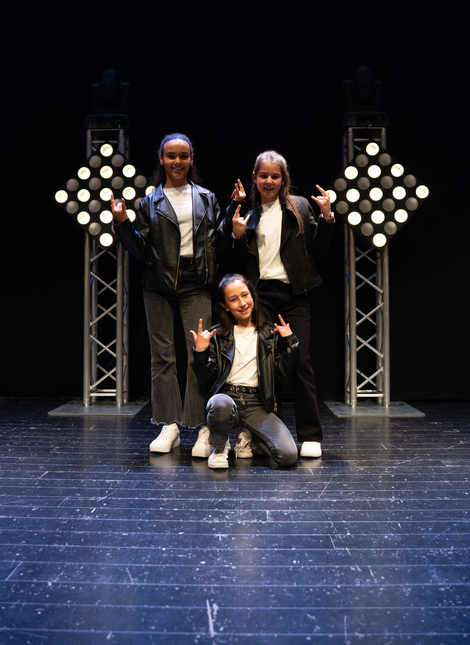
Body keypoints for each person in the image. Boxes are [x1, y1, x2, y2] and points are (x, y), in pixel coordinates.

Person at [111, 133, 236, 456]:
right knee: (162, 357)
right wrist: (123, 223)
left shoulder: (206, 198)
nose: (177, 162)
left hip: (197, 282)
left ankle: (202, 425)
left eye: (183, 156)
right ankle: (169, 425)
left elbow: (219, 241)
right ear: (161, 159)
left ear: (191, 159)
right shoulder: (149, 202)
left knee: (200, 355)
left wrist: (234, 209)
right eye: (171, 156)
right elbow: (140, 251)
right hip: (158, 285)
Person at [228, 150, 335, 458]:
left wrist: (327, 217)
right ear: (254, 177)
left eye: (275, 176)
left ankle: (310, 436)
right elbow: (234, 259)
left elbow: (319, 248)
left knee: (299, 362)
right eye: (264, 176)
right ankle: (266, 435)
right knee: (264, 367)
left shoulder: (299, 206)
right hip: (259, 297)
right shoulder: (246, 210)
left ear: (283, 179)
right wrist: (237, 236)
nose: (269, 181)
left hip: (294, 296)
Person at [191, 273, 299, 470]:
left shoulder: (268, 333)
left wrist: (290, 342)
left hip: (257, 404)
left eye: (245, 295)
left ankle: (251, 437)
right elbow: (205, 378)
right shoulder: (217, 335)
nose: (242, 303)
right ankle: (219, 448)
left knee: (288, 456)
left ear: (252, 295)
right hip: (226, 399)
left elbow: (281, 373)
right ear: (225, 305)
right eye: (233, 299)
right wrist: (200, 352)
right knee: (219, 402)